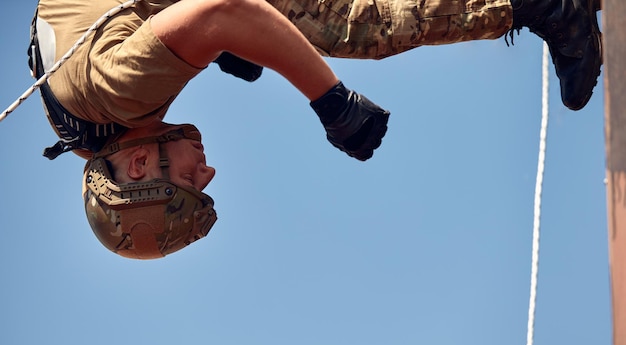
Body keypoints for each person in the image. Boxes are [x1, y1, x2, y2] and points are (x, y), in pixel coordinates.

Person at [30, 0, 601, 259]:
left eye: (191, 181)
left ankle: (541, 4)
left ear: (136, 166)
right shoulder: (87, 127)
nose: (207, 170)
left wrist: (331, 102)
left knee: (351, 25)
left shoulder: (113, 96)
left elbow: (220, 11)